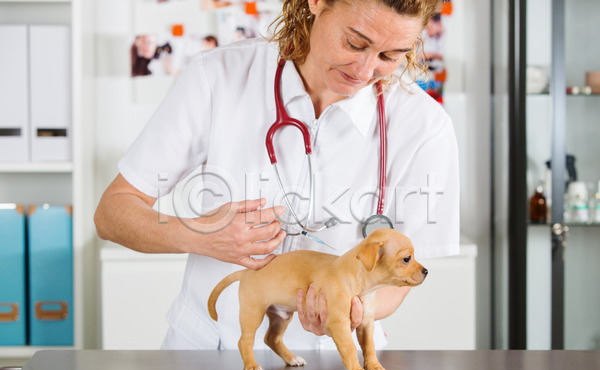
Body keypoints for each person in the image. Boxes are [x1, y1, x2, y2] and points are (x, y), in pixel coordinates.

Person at [95, 0, 459, 351]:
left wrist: (350, 309)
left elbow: (399, 283)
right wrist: (200, 235)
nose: (364, 71)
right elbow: (112, 213)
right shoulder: (220, 76)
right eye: (354, 42)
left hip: (335, 359)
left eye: (389, 56)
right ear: (316, 2)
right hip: (208, 350)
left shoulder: (425, 126)